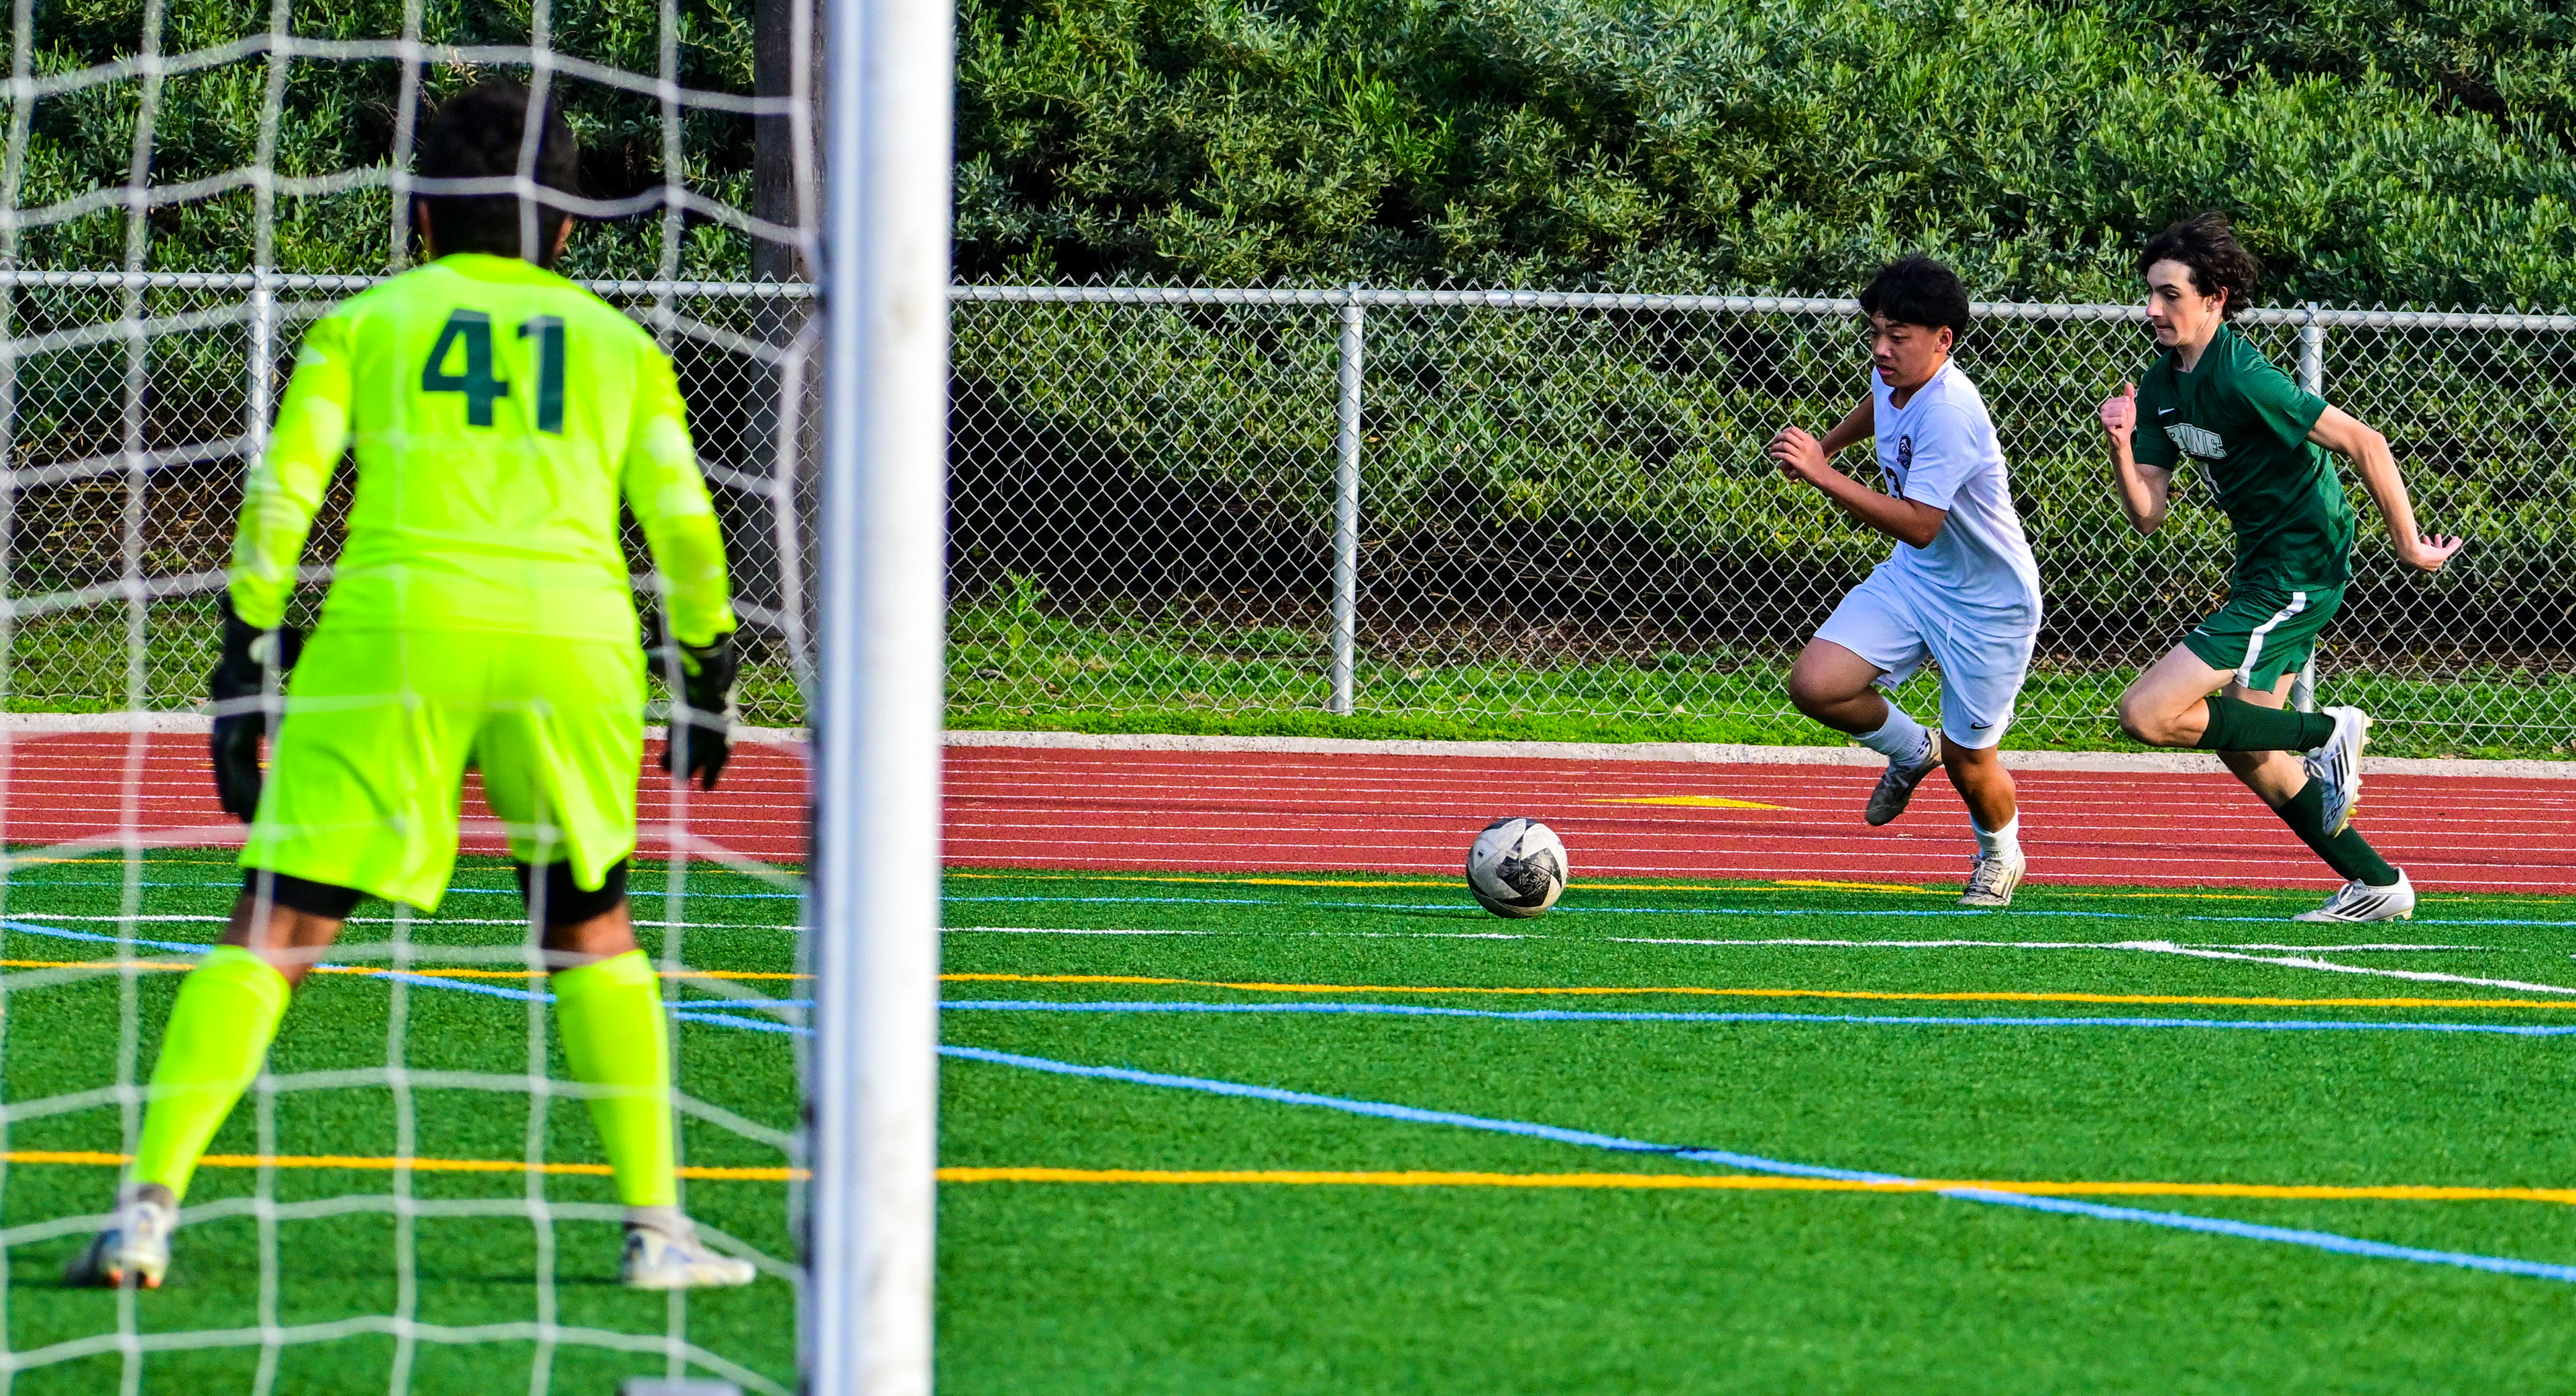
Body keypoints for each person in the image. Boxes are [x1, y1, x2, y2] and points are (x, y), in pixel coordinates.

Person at [66, 82, 754, 1290]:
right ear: (570, 226)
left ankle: (144, 1213)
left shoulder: (365, 325)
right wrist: (706, 663)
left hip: (393, 630)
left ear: (421, 216)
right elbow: (685, 524)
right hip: (570, 641)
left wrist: (243, 656)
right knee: (590, 927)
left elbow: (284, 494)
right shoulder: (623, 348)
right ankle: (658, 1232)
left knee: (276, 929)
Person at [2098, 211, 2461, 922]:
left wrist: (2411, 545)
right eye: (2150, 293)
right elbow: (2148, 514)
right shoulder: (2161, 384)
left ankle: (2327, 732)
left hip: (2300, 565)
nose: (2152, 309)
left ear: (2214, 300)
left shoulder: (2244, 375)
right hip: (2263, 564)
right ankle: (2376, 881)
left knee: (2145, 713)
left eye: (2170, 294)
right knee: (2250, 743)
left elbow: (2366, 441)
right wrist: (2121, 446)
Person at [1769, 255, 2043, 908]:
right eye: (1875, 332)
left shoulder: (1951, 411)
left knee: (1971, 763)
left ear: (1943, 340)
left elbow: (1921, 523)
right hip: (1918, 579)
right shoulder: (1894, 375)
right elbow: (1878, 406)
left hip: (1988, 605)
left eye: (1898, 336)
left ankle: (2000, 855)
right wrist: (1830, 445)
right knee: (1816, 685)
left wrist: (1823, 474)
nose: (1881, 349)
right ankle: (1913, 750)